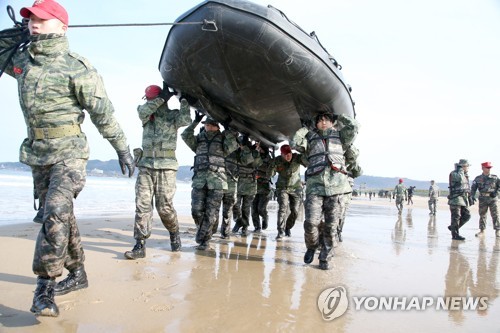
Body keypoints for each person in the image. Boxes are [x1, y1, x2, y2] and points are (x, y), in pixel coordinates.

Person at [0, 0, 135, 317]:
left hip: (70, 153)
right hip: (38, 154)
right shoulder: (22, 60)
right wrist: (12, 34)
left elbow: (103, 113)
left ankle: (44, 289)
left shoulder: (78, 67)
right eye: (31, 19)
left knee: (57, 210)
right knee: (60, 217)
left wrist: (122, 148)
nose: (34, 23)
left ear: (62, 26)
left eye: (42, 19)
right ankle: (78, 274)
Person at [124, 86, 191, 260]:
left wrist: (183, 99)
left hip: (166, 167)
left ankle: (174, 233)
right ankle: (140, 244)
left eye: (151, 99)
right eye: (149, 99)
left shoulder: (172, 116)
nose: (149, 102)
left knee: (164, 207)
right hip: (146, 166)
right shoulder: (145, 114)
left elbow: (186, 119)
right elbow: (143, 111)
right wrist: (162, 98)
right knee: (142, 205)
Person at [291, 113, 358, 270]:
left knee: (330, 226)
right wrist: (305, 129)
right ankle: (312, 246)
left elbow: (354, 127)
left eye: (326, 119)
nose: (323, 122)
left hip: (337, 187)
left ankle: (324, 258)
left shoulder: (341, 136)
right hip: (315, 186)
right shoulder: (310, 138)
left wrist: (340, 116)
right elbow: (295, 143)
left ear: (331, 122)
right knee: (310, 223)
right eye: (319, 120)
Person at [181, 113, 239, 250]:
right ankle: (206, 231)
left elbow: (233, 146)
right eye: (206, 124)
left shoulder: (223, 139)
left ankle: (204, 240)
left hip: (217, 181)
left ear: (216, 127)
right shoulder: (198, 140)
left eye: (210, 124)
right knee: (196, 211)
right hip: (199, 180)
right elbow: (185, 135)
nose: (207, 126)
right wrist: (195, 122)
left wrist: (228, 129)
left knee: (211, 212)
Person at [271, 144, 306, 240]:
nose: (288, 156)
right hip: (283, 188)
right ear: (281, 154)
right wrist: (272, 168)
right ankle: (280, 231)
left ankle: (287, 227)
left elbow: (307, 161)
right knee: (283, 208)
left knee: (295, 211)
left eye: (289, 153)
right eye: (286, 154)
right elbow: (270, 173)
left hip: (296, 189)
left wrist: (301, 149)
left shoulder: (297, 157)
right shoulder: (277, 160)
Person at [471, 162, 500, 238]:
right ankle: (482, 231)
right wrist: (472, 196)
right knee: (482, 215)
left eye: (489, 168)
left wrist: (496, 192)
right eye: (487, 168)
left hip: (493, 198)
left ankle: (498, 231)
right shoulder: (478, 178)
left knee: (495, 214)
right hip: (483, 198)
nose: (489, 169)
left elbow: (499, 186)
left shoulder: (495, 178)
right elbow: (473, 188)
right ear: (483, 168)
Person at [447, 159, 473, 241]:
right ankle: (455, 235)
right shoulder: (455, 173)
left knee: (467, 215)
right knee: (456, 217)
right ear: (463, 166)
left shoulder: (465, 175)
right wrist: (460, 170)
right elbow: (459, 179)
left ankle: (453, 227)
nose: (468, 168)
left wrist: (470, 197)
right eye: (467, 166)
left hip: (463, 199)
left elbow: (466, 187)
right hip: (455, 199)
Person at [252, 143, 274, 232]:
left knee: (261, 209)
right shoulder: (254, 156)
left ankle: (265, 217)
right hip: (253, 187)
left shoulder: (269, 159)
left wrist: (259, 175)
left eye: (261, 149)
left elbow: (270, 173)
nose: (259, 151)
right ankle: (257, 227)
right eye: (258, 149)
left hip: (264, 188)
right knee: (254, 210)